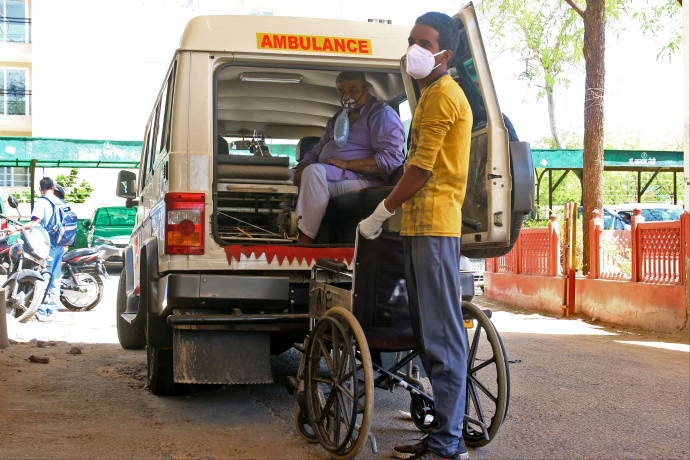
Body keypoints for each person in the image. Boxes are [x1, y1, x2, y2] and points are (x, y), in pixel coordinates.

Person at [359, 12, 472, 460]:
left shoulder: (444, 95)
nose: (415, 50)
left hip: (435, 226)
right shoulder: (426, 96)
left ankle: (448, 443)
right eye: (411, 41)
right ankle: (443, 434)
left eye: (424, 43)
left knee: (441, 337)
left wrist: (381, 211)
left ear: (444, 53)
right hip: (420, 225)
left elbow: (421, 169)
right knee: (428, 333)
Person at [292, 70, 405, 243]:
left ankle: (304, 244)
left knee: (314, 173)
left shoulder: (380, 114)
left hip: (364, 179)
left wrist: (346, 164)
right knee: (289, 176)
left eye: (353, 89)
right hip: (334, 176)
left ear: (366, 90)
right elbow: (317, 151)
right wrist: (303, 165)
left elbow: (391, 160)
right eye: (341, 91)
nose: (347, 96)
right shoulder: (337, 118)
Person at [14, 177, 65, 316]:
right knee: (56, 275)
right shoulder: (59, 201)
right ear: (53, 188)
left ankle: (41, 307)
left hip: (46, 243)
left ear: (40, 188)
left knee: (44, 275)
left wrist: (18, 229)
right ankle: (53, 308)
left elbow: (35, 222)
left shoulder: (42, 202)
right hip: (60, 242)